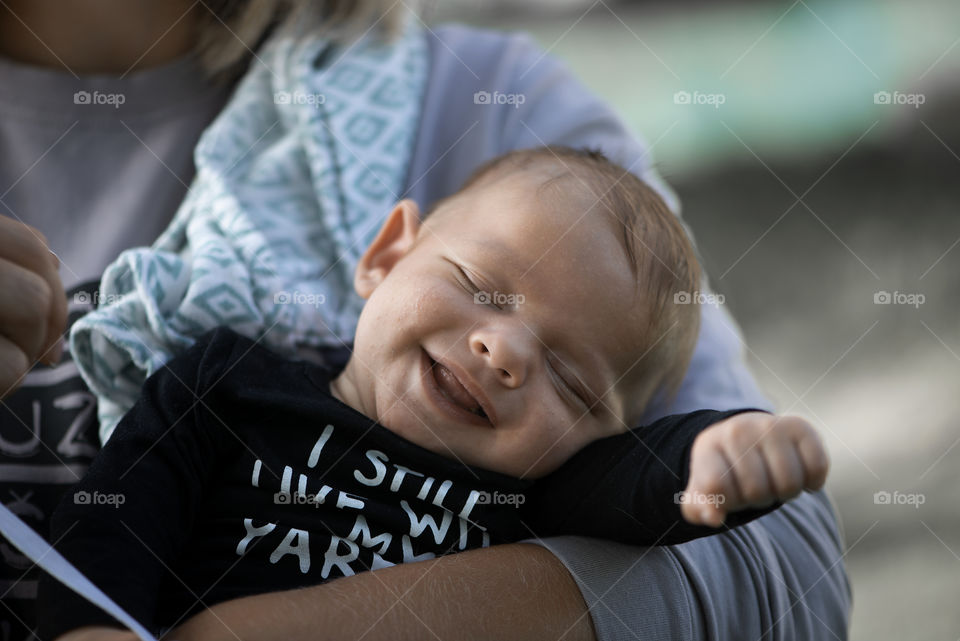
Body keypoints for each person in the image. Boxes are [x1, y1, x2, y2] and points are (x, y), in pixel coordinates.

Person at [0, 2, 851, 640]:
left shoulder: (534, 483)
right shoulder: (232, 386)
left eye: (571, 380)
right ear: (382, 254)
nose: (506, 349)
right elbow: (116, 521)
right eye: (482, 285)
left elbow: (704, 522)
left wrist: (719, 451)